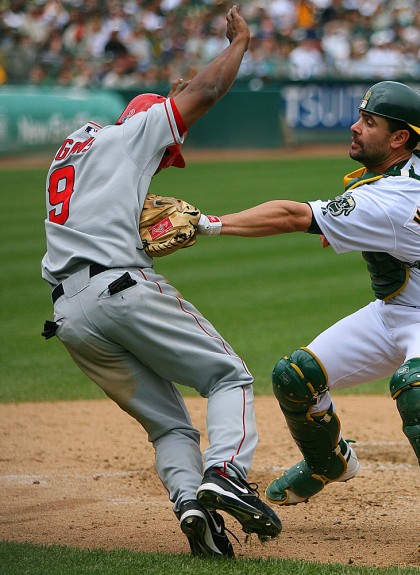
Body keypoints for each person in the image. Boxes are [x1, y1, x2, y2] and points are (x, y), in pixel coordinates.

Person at [195, 80, 420, 563]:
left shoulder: (391, 200)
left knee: (417, 388)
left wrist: (208, 223)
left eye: (368, 122)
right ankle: (328, 462)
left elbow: (291, 215)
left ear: (398, 138)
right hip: (391, 313)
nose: (355, 126)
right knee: (294, 377)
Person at [41, 6, 281, 559]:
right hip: (120, 289)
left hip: (70, 317)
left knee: (169, 425)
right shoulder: (139, 130)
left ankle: (193, 511)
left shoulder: (75, 148)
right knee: (228, 378)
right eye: (169, 152)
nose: (169, 161)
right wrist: (239, 44)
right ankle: (227, 474)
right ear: (152, 120)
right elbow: (207, 89)